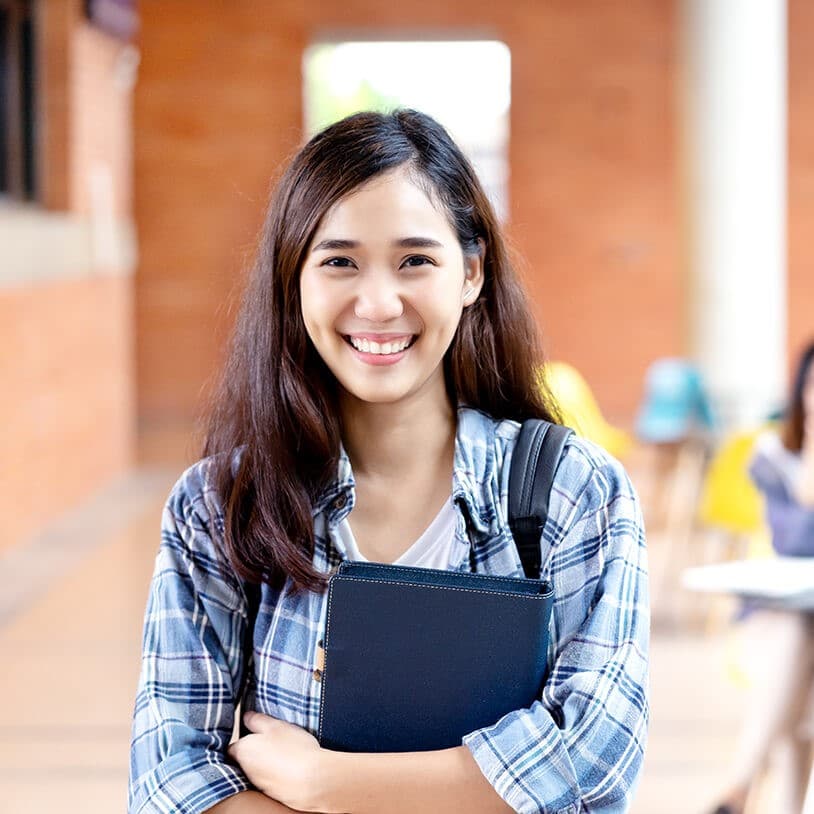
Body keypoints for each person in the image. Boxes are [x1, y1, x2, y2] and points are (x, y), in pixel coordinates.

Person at [128, 109, 649, 814]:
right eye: (339, 261)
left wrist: (327, 786)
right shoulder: (219, 506)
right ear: (294, 280)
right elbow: (169, 783)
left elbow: (593, 759)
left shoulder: (572, 492)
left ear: (471, 273)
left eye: (416, 260)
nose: (378, 303)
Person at [710, 340, 814, 814]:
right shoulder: (773, 453)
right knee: (795, 635)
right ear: (801, 391)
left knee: (797, 665)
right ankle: (748, 788)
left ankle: (741, 786)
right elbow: (797, 539)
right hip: (780, 610)